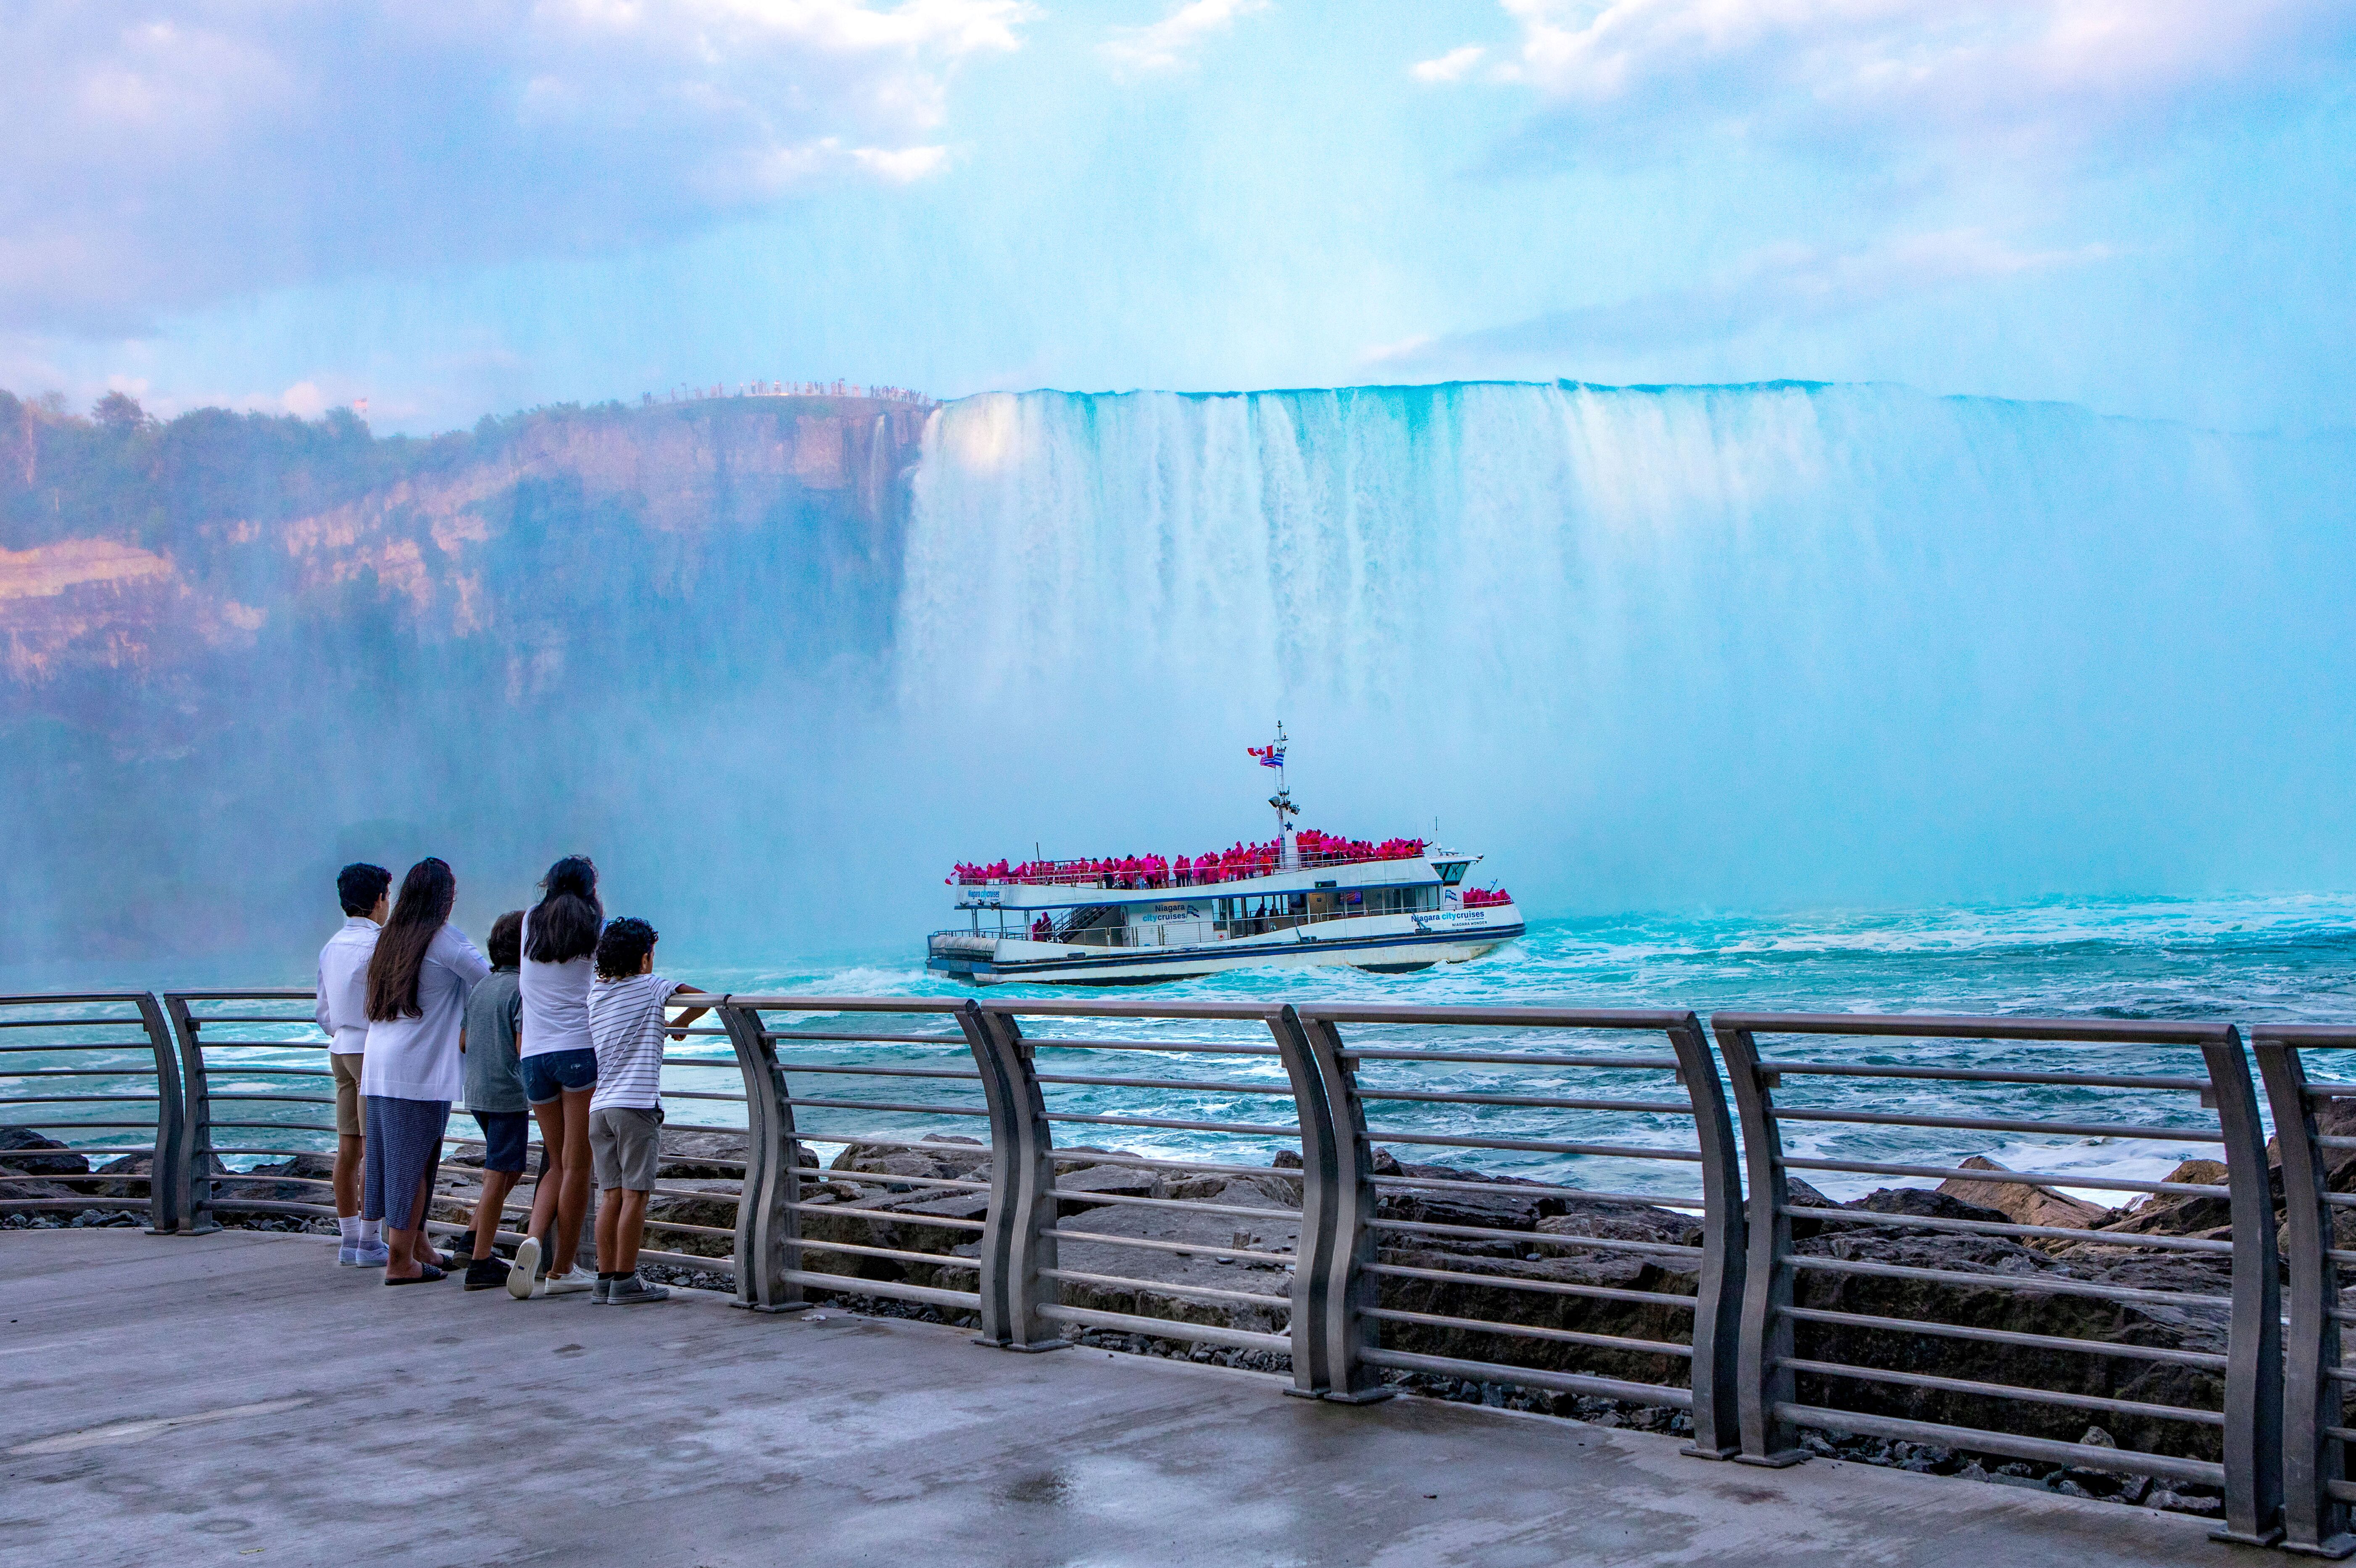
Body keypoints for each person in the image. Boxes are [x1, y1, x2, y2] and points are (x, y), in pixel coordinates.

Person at [361, 857, 490, 1283]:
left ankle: (417, 1246)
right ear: (445, 899)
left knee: (408, 1159)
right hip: (418, 1070)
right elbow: (488, 981)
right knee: (412, 1164)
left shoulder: (390, 939)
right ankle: (400, 1259)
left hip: (381, 1064)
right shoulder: (444, 941)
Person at [583, 917, 708, 1304]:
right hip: (636, 1105)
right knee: (636, 1195)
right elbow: (703, 997)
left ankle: (605, 1279)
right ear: (644, 958)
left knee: (610, 1196)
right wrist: (679, 1023)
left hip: (599, 1109)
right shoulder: (652, 986)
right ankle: (626, 1280)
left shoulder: (597, 995)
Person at [509, 856, 603, 1299]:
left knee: (555, 1159)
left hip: (533, 1054)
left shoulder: (531, 921)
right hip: (577, 1051)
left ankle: (532, 1239)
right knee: (578, 1162)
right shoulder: (592, 923)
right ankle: (564, 1267)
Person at [315, 862, 391, 1266]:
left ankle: (348, 1241)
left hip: (340, 1049)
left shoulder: (332, 946)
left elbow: (323, 1010)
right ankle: (369, 1241)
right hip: (370, 1050)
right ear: (379, 900)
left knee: (348, 1148)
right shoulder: (380, 944)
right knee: (375, 1147)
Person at [457, 910, 527, 1291]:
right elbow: (522, 1046)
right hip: (507, 1094)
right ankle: (481, 1262)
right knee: (500, 1172)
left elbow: (464, 1042)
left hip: (478, 1093)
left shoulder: (481, 986)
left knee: (510, 1167)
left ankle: (472, 1238)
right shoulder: (521, 990)